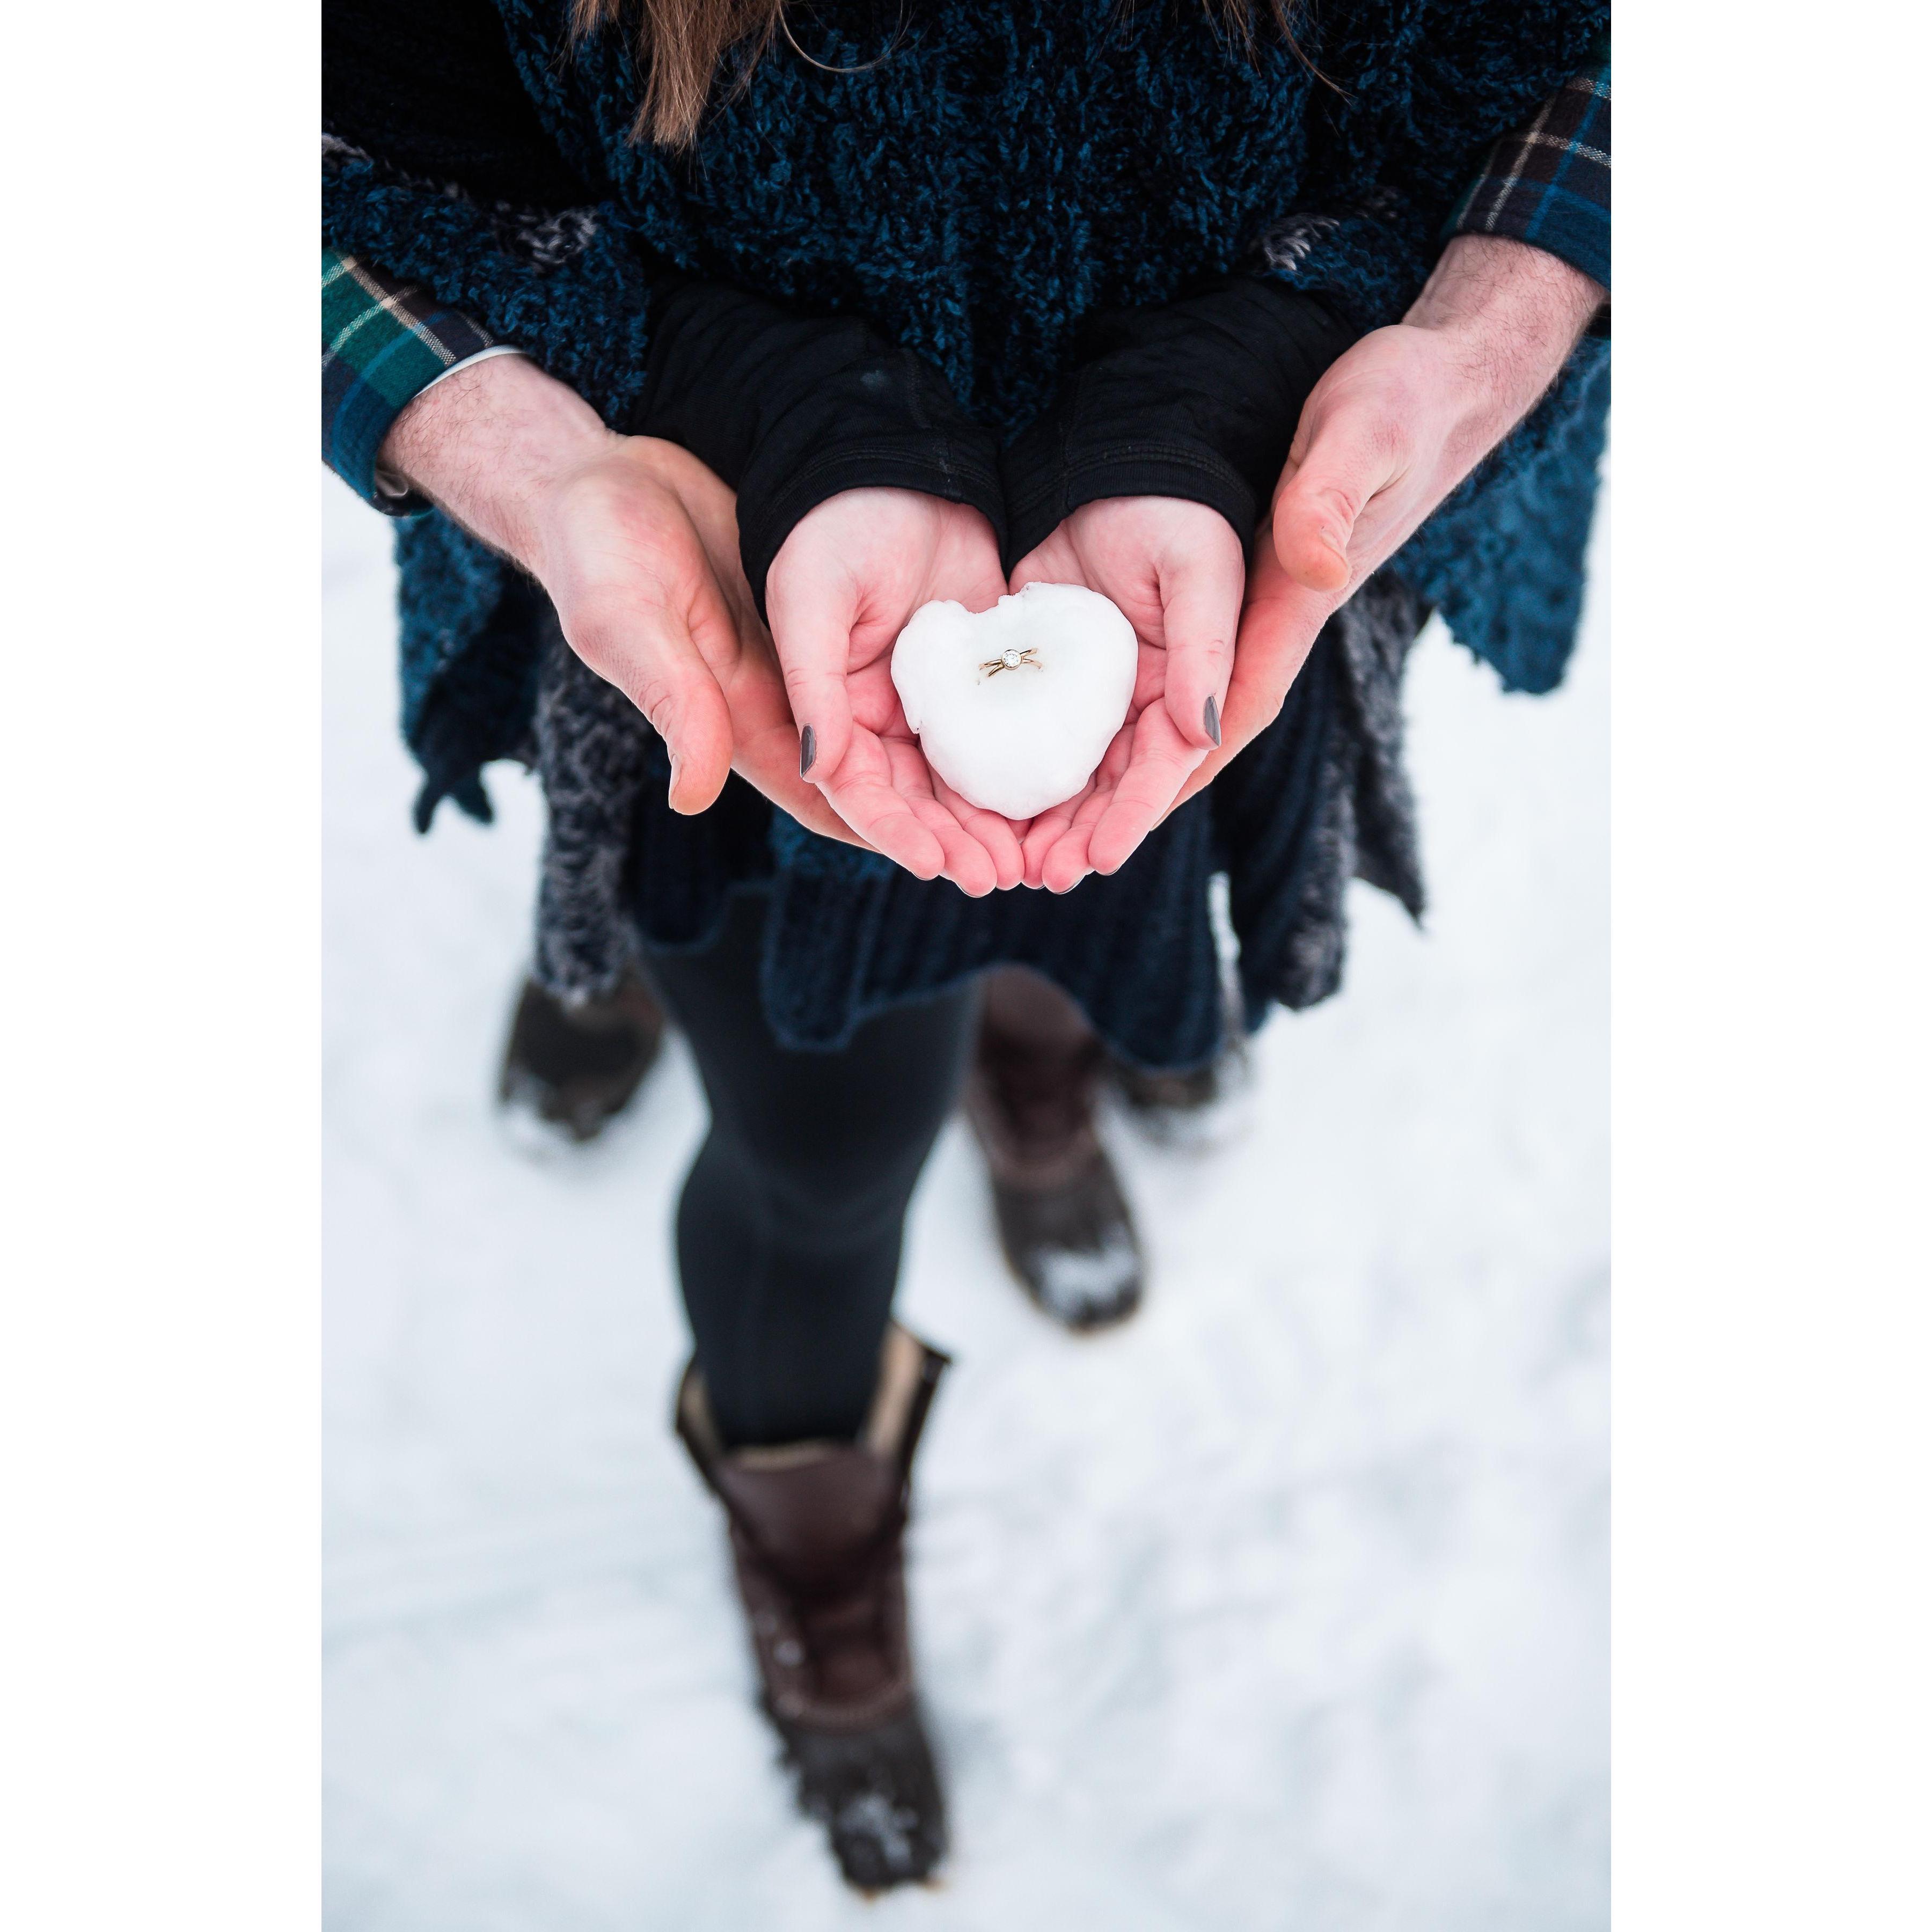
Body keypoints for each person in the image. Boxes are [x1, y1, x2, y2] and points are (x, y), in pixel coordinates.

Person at [322, 0, 1608, 1890]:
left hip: (1203, 547)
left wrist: (1384, 349)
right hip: (722, 559)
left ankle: (1039, 1053)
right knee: (822, 1137)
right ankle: (810, 1521)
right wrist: (557, 450)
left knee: (1079, 884)